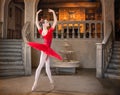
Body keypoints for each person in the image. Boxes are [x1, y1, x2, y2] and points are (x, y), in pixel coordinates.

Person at [27, 9, 62, 91]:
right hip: (45, 50)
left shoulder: (42, 31)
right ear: (44, 24)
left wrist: (36, 14)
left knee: (47, 68)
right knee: (40, 67)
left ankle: (52, 82)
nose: (48, 22)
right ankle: (35, 84)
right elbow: (55, 21)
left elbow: (36, 23)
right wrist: (53, 12)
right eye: (46, 22)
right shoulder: (49, 31)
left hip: (47, 50)